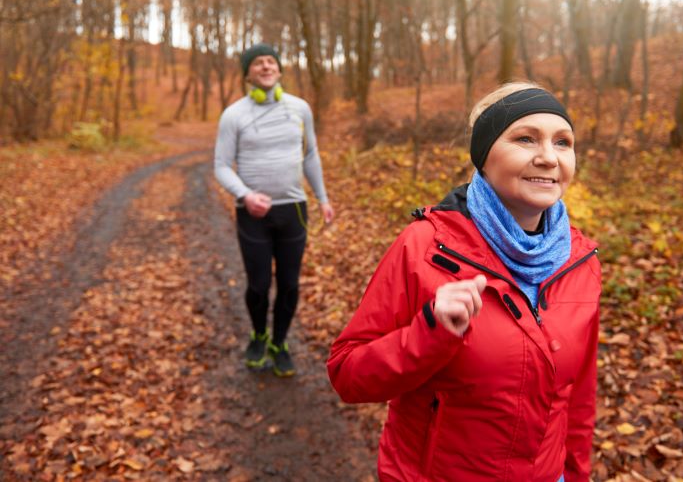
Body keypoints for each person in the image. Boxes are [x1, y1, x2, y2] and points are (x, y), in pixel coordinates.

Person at [327, 82, 601, 481]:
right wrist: (429, 332)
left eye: (563, 142)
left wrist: (576, 474)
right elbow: (348, 375)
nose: (548, 157)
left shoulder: (581, 262)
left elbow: (577, 399)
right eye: (525, 139)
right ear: (484, 156)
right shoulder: (424, 247)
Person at [215, 43, 334, 376]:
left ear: (279, 69)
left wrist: (322, 198)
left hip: (293, 210)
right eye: (258, 63)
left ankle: (279, 342)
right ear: (248, 73)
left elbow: (310, 156)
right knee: (257, 284)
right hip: (252, 215)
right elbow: (221, 165)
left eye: (271, 62)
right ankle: (258, 335)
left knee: (290, 284)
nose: (266, 67)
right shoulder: (234, 115)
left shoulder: (300, 109)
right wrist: (245, 195)